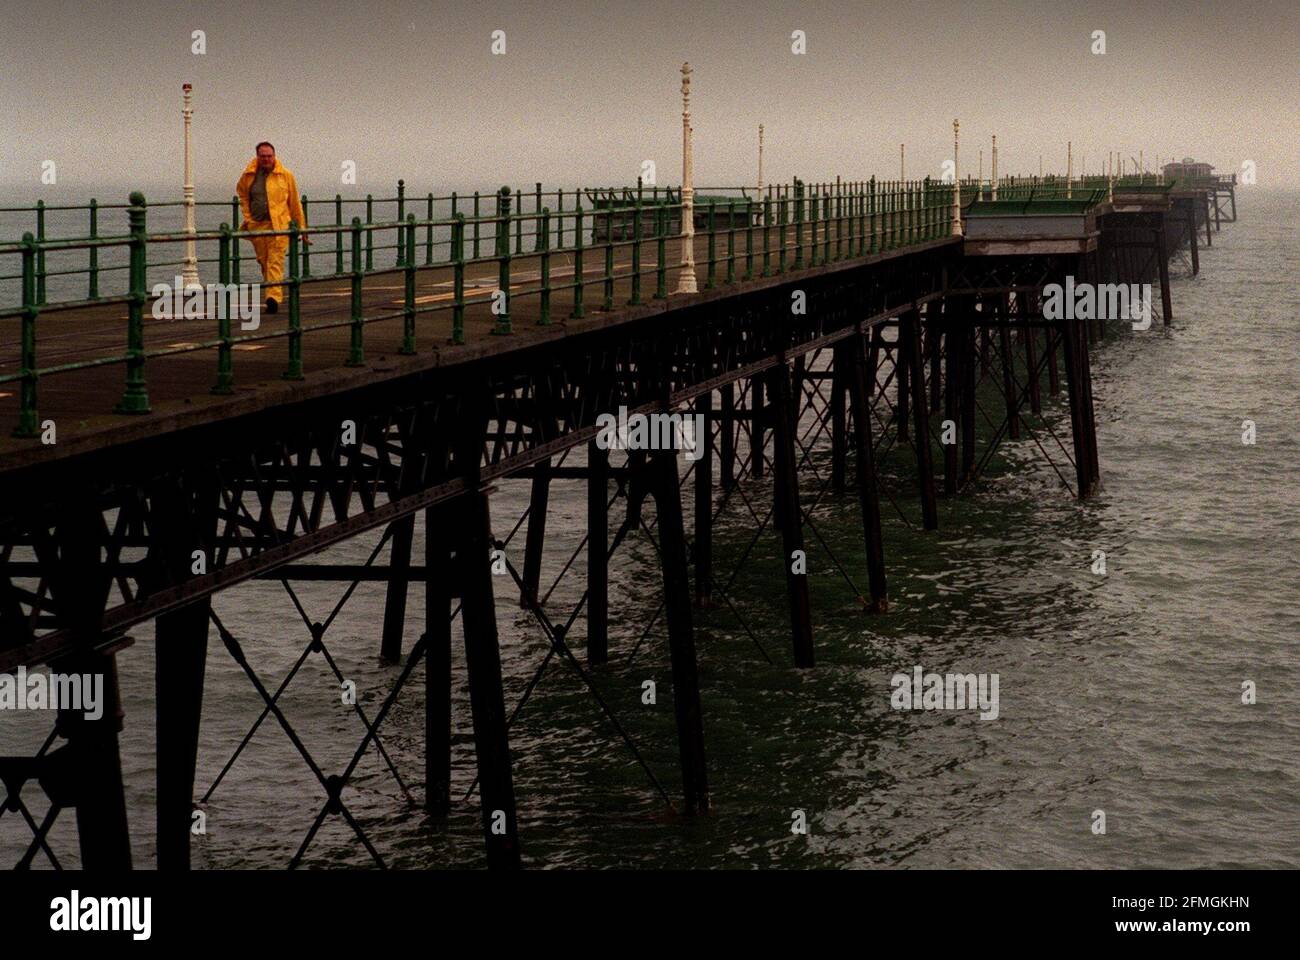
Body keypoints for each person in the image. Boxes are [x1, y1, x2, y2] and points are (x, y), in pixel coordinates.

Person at [235, 142, 308, 313]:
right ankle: (272, 291)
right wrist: (248, 217)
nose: (266, 159)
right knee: (264, 261)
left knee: (275, 261)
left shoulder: (285, 175)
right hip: (258, 225)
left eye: (269, 156)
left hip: (279, 226)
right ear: (257, 157)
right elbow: (242, 194)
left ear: (274, 156)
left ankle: (273, 298)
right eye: (263, 156)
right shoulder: (248, 175)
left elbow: (295, 203)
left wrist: (302, 229)